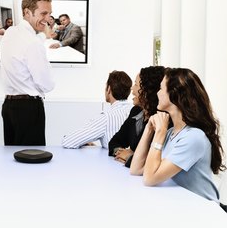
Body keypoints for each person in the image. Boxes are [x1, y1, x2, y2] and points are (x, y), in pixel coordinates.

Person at [130, 68, 226, 210]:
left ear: (174, 94)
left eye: (161, 88)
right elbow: (136, 169)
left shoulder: (194, 137)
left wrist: (160, 133)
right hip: (183, 208)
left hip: (205, 213)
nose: (157, 93)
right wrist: (148, 130)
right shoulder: (171, 133)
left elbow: (149, 179)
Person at [0, 0, 55, 146]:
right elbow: (46, 84)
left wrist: (44, 34)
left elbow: (33, 39)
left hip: (9, 107)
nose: (48, 19)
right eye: (43, 13)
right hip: (29, 109)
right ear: (27, 12)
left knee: (13, 160)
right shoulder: (33, 43)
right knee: (32, 163)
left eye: (49, 14)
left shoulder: (10, 33)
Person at [108, 66, 165, 167]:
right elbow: (115, 142)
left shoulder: (161, 119)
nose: (132, 89)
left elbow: (153, 162)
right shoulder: (136, 112)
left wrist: (130, 157)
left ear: (147, 90)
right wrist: (120, 152)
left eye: (136, 84)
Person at [62, 70, 133, 149]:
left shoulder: (106, 118)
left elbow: (68, 142)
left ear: (109, 89)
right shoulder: (137, 112)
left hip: (114, 161)